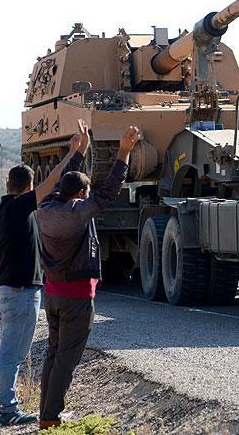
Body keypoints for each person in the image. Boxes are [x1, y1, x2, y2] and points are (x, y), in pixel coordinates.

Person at [35, 124, 140, 429]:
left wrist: (79, 152)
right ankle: (50, 418)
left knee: (53, 355)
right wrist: (124, 152)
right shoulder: (77, 213)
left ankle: (46, 412)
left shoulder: (46, 208)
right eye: (86, 193)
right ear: (80, 195)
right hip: (77, 298)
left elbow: (61, 186)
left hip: (53, 294)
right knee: (66, 360)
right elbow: (108, 191)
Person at [0, 120, 90, 427]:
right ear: (28, 188)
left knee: (9, 351)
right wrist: (75, 152)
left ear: (8, 185)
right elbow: (55, 184)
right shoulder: (21, 208)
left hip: (5, 289)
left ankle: (5, 406)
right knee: (12, 354)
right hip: (19, 293)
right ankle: (7, 410)